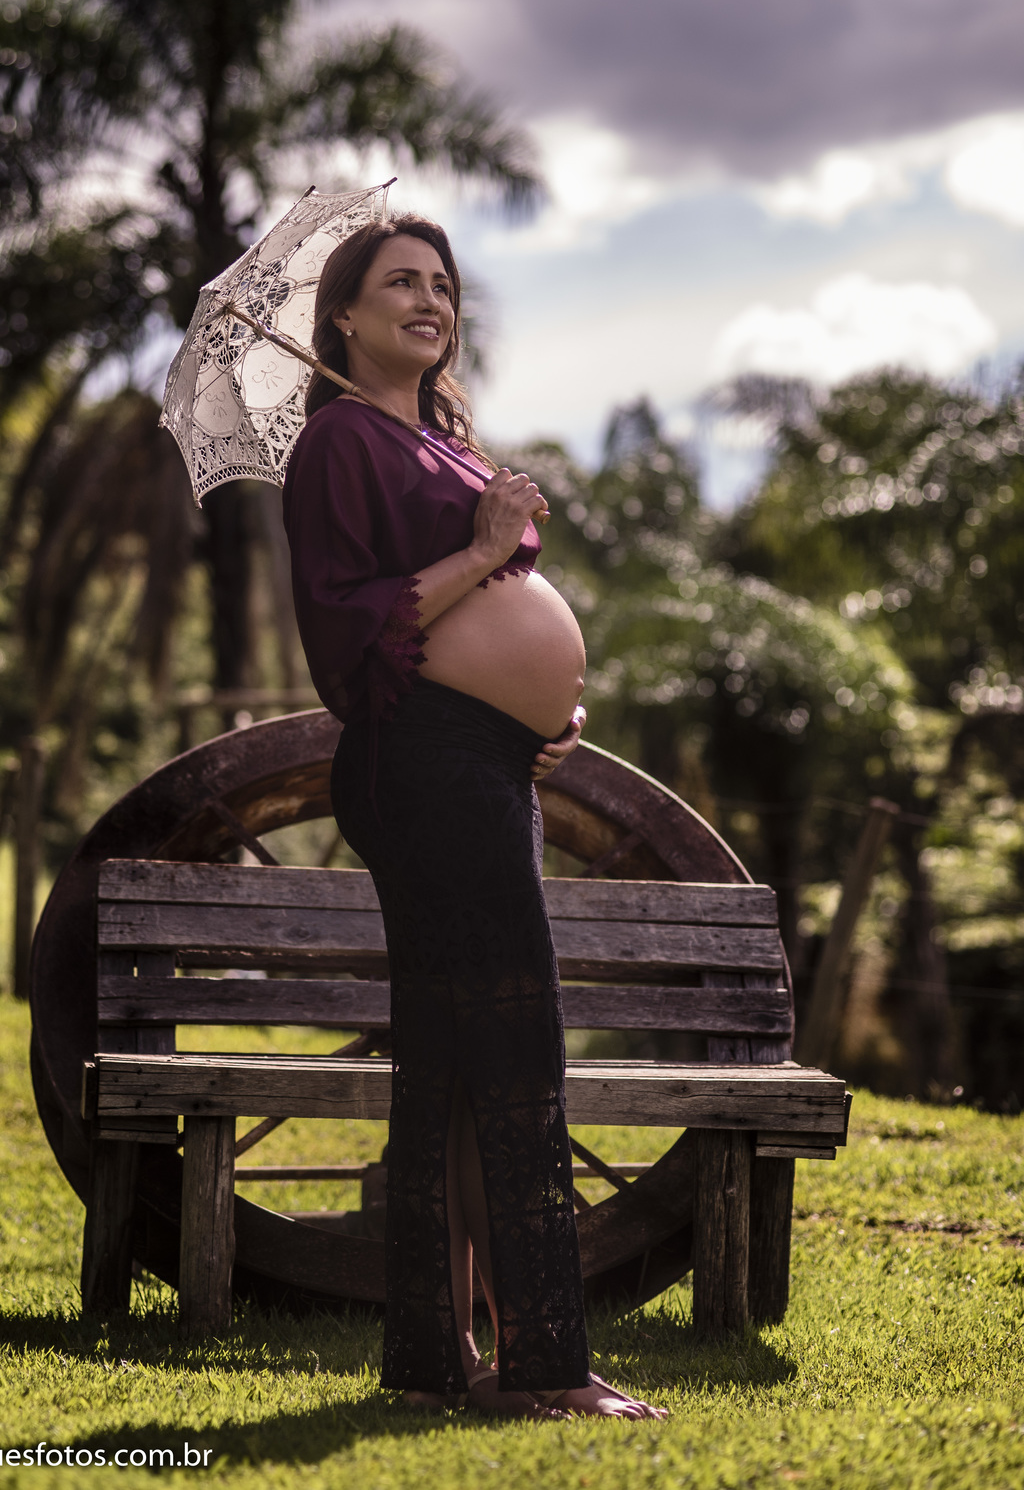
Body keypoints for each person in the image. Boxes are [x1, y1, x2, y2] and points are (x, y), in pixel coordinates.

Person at [281, 214, 667, 1423]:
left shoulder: (440, 439)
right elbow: (349, 633)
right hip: (423, 764)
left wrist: (546, 710)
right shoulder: (340, 441)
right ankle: (548, 1362)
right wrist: (493, 547)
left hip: (486, 765)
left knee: (455, 1065)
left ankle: (437, 1361)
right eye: (399, 282)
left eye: (442, 284)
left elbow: (495, 620)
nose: (428, 299)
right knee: (515, 1050)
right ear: (343, 316)